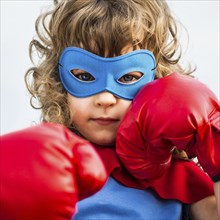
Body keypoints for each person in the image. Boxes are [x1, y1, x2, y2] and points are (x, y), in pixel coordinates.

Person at [1, 0, 219, 219]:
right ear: (58, 80)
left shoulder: (177, 177)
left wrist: (215, 142)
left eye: (127, 77)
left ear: (157, 79)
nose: (105, 99)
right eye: (85, 76)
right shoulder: (42, 167)